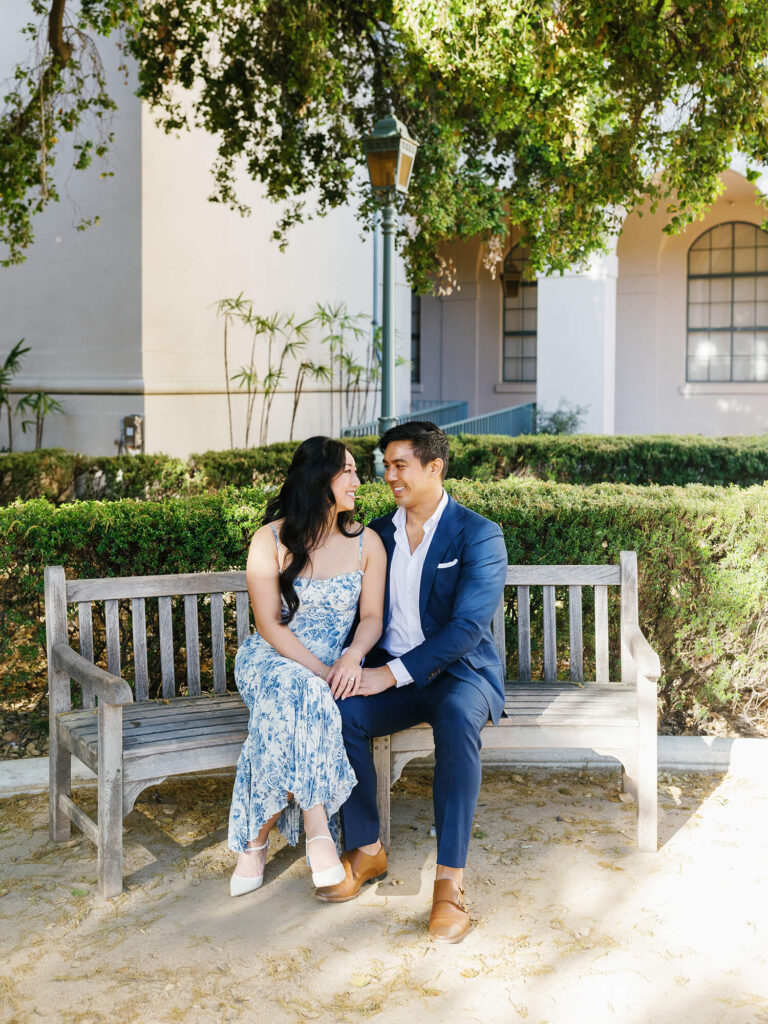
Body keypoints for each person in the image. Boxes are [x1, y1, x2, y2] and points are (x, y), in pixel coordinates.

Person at [318, 422, 507, 944]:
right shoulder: (376, 533)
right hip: (391, 674)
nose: (389, 475)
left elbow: (468, 629)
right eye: (386, 465)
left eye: (400, 464)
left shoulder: (478, 534)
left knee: (454, 720)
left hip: (458, 676)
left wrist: (390, 674)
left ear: (434, 468)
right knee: (341, 711)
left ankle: (450, 882)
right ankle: (367, 848)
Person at [227, 436, 387, 897]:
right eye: (349, 471)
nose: (359, 481)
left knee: (302, 698)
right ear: (320, 480)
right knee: (306, 691)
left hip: (328, 667)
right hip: (271, 660)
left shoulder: (366, 544)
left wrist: (352, 656)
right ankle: (319, 830)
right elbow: (270, 626)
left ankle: (253, 841)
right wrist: (322, 672)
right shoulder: (269, 539)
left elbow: (372, 618)